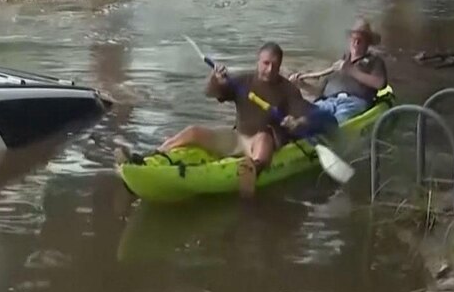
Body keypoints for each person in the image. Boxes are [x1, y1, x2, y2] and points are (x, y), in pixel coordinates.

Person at [117, 42, 332, 197]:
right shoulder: (244, 80)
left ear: (280, 65)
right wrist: (216, 80)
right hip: (237, 136)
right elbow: (213, 93)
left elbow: (309, 113)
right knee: (193, 131)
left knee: (264, 137)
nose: (269, 69)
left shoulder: (287, 89)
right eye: (266, 63)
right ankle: (151, 157)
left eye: (275, 65)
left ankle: (253, 170)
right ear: (258, 61)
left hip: (260, 141)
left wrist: (298, 123)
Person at [289, 18, 389, 122]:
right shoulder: (338, 64)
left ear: (368, 43)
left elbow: (380, 83)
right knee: (304, 115)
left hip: (353, 103)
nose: (356, 42)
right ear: (349, 40)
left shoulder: (374, 61)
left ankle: (327, 129)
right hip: (329, 101)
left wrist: (350, 70)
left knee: (336, 120)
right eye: (354, 39)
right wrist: (302, 85)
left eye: (361, 40)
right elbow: (320, 92)